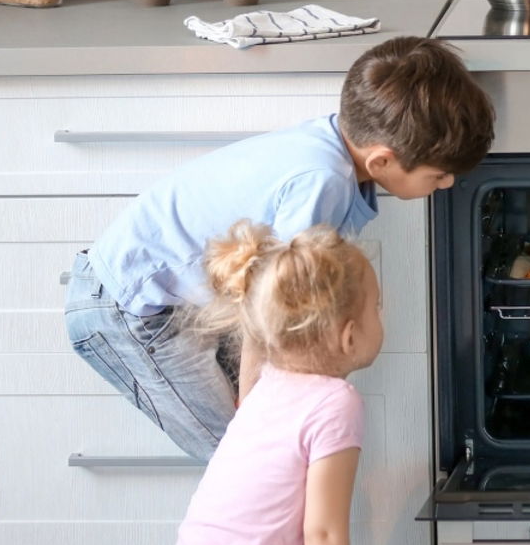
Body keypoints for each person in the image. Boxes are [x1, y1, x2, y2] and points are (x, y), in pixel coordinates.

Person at [64, 36, 494, 461]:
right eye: (438, 175)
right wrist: (253, 406)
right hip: (132, 310)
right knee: (249, 462)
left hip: (175, 304)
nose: (448, 184)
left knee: (273, 450)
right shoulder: (320, 182)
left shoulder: (334, 150)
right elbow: (268, 311)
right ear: (381, 160)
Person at [103, 221, 407, 545]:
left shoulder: (268, 385)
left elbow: (281, 540)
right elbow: (324, 535)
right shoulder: (335, 404)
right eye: (377, 308)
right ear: (348, 334)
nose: (382, 317)